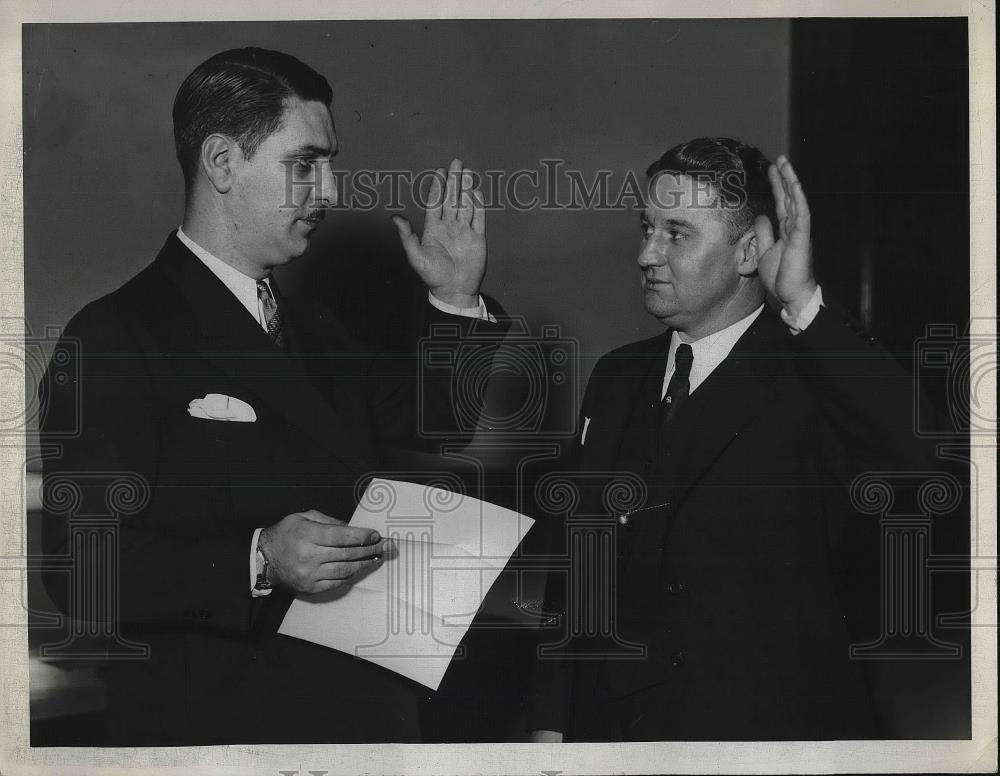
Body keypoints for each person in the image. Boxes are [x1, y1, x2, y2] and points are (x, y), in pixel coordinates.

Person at [36, 47, 501, 745]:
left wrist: (456, 297)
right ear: (222, 163)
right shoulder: (113, 334)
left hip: (360, 724)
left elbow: (438, 428)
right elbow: (81, 572)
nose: (331, 192)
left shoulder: (317, 329)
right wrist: (259, 558)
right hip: (214, 734)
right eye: (305, 164)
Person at [527, 137, 941, 741]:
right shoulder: (617, 377)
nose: (646, 253)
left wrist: (801, 303)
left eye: (676, 233)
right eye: (646, 228)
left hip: (766, 734)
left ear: (748, 251)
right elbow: (578, 570)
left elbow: (923, 456)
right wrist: (549, 725)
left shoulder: (812, 371)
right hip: (617, 731)